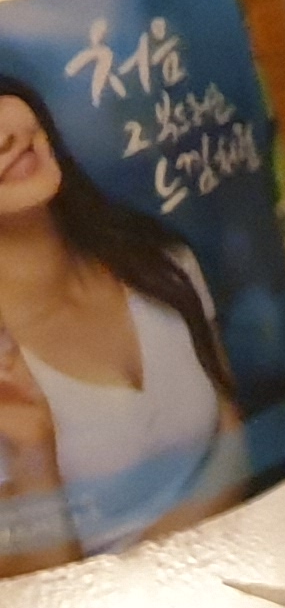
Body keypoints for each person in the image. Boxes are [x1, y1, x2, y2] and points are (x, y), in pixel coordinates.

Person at [0, 73, 246, 570]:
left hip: (245, 566)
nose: (6, 135)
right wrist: (33, 454)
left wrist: (163, 565)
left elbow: (234, 435)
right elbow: (35, 592)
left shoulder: (161, 264)